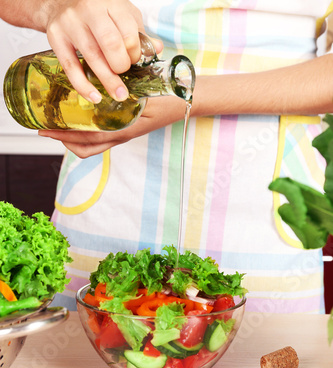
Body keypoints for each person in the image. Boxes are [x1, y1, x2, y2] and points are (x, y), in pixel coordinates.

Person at [1, 0, 333, 313]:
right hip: (108, 196)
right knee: (79, 356)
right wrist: (53, 6)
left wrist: (191, 94)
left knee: (263, 358)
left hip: (260, 215)